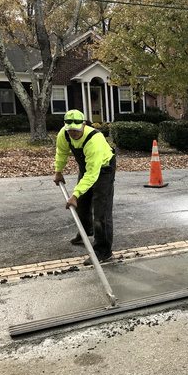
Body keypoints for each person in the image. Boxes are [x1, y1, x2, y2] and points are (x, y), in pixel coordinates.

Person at [53, 109, 116, 265]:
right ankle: (86, 231)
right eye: (70, 129)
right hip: (87, 167)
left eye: (76, 129)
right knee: (82, 204)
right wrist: (58, 171)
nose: (73, 132)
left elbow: (92, 174)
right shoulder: (64, 133)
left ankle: (103, 250)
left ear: (83, 124)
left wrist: (74, 194)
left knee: (101, 210)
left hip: (103, 168)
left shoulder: (94, 139)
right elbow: (61, 152)